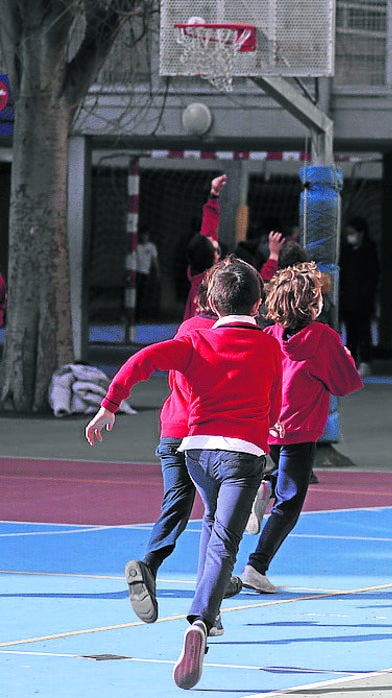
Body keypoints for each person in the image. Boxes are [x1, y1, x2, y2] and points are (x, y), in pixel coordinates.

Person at [85, 256, 283, 690]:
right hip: (242, 456)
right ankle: (199, 623)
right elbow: (273, 400)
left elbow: (143, 360)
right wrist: (269, 423)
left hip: (195, 454)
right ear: (258, 305)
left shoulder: (194, 342)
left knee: (213, 527)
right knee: (224, 545)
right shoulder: (270, 346)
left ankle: (208, 617)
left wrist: (109, 404)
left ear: (211, 300)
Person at [121, 264, 243, 636]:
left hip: (171, 431)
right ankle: (213, 598)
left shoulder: (188, 328)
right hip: (207, 434)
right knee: (218, 519)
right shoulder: (229, 336)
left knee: (176, 504)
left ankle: (150, 563)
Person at [239, 262, 363, 594]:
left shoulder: (268, 334)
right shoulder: (323, 338)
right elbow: (346, 384)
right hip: (301, 428)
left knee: (278, 477)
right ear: (312, 304)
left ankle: (263, 486)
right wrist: (345, 357)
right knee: (291, 502)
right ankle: (256, 565)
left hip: (269, 424)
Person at [339, 217, 379, 377]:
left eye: (352, 233)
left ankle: (365, 361)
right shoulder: (346, 251)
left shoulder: (369, 251)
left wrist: (365, 294)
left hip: (362, 299)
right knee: (350, 332)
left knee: (363, 331)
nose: (350, 236)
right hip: (348, 298)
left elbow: (373, 275)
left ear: (361, 233)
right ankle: (352, 360)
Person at [183, 175, 226, 321]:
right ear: (215, 256)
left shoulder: (202, 267)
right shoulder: (203, 291)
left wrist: (214, 194)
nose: (210, 236)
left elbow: (209, 225)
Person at [125, 227, 160, 321]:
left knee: (144, 295)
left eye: (146, 235)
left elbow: (154, 260)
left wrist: (157, 272)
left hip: (146, 273)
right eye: (143, 235)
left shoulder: (151, 247)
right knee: (135, 294)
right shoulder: (137, 246)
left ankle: (143, 314)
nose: (144, 237)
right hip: (137, 273)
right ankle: (133, 315)